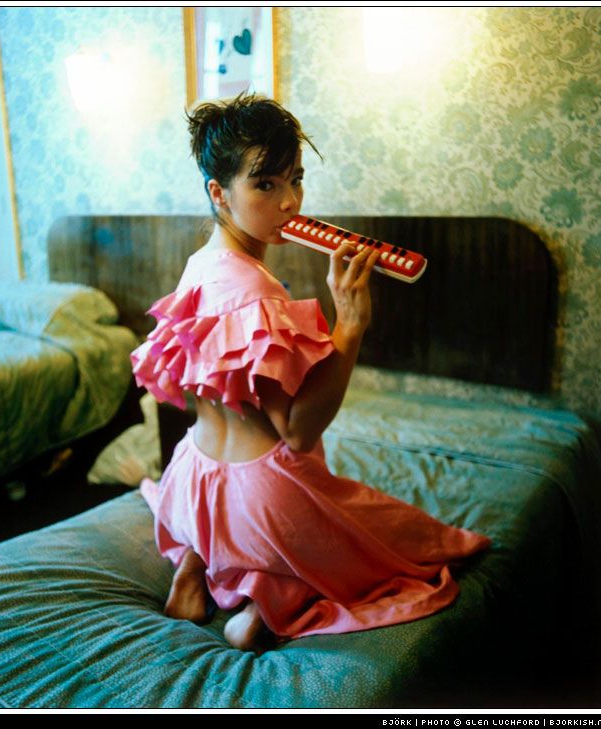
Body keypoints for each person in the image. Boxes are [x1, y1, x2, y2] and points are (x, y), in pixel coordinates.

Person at [131, 92, 490, 654]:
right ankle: (266, 603)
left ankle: (196, 565)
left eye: (295, 180)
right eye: (265, 185)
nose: (290, 202)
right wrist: (350, 324)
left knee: (345, 527)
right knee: (406, 548)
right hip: (258, 500)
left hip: (194, 485)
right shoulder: (259, 292)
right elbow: (297, 432)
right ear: (218, 193)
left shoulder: (200, 266)